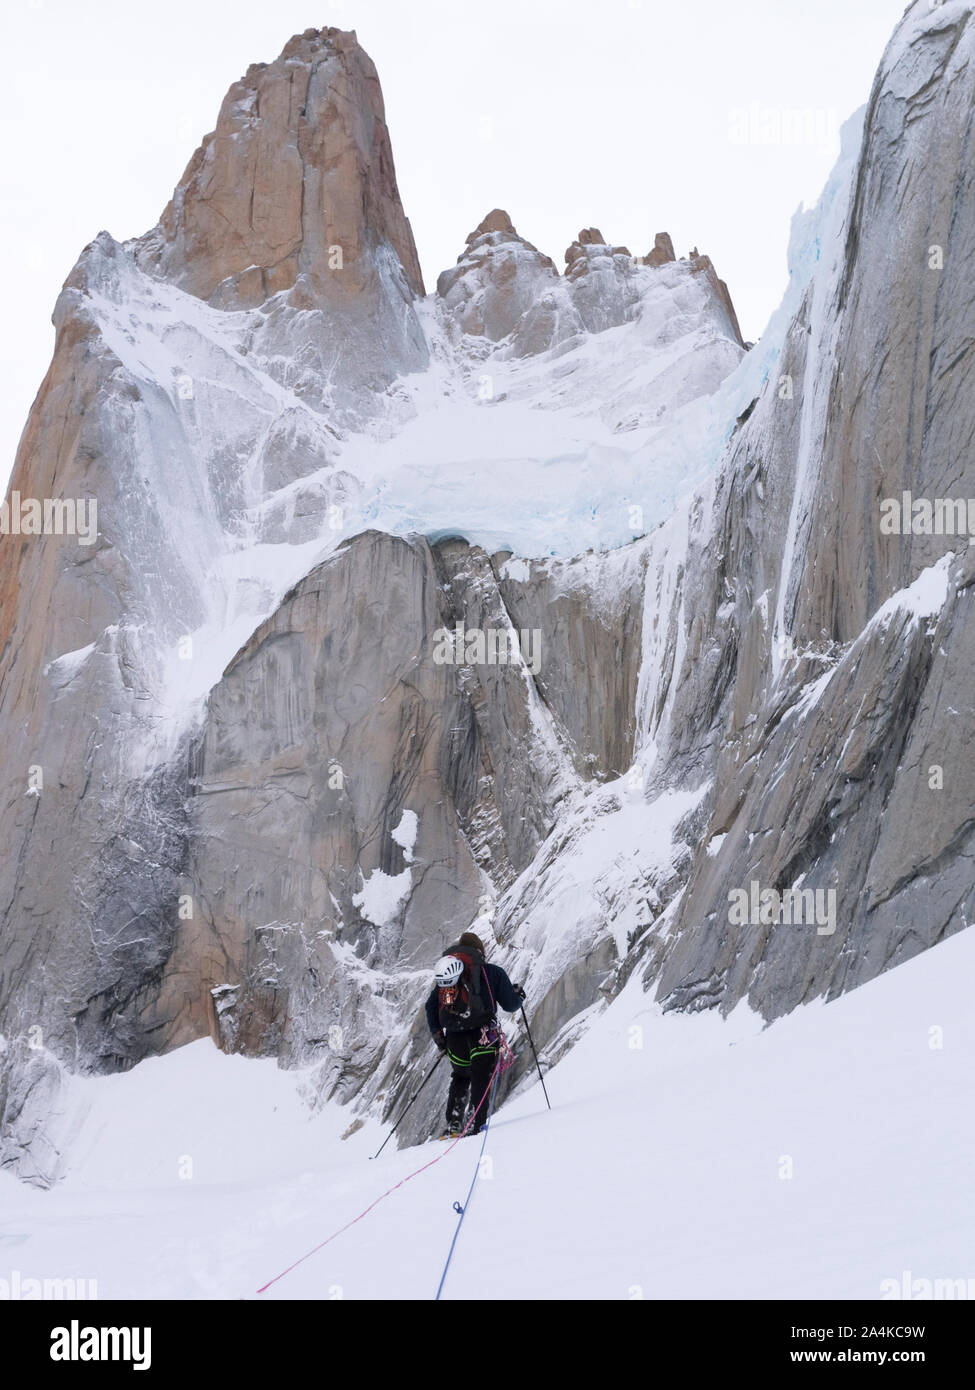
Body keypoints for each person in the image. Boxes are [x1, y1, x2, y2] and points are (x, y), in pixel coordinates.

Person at [424, 931, 524, 1138]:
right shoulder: (492, 973)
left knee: (461, 1076)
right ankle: (474, 1123)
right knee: (481, 1077)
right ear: (480, 951)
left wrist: (439, 1039)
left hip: (454, 1039)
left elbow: (430, 1007)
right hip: (483, 1037)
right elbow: (510, 1005)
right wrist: (519, 996)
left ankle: (454, 1123)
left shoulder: (449, 978)